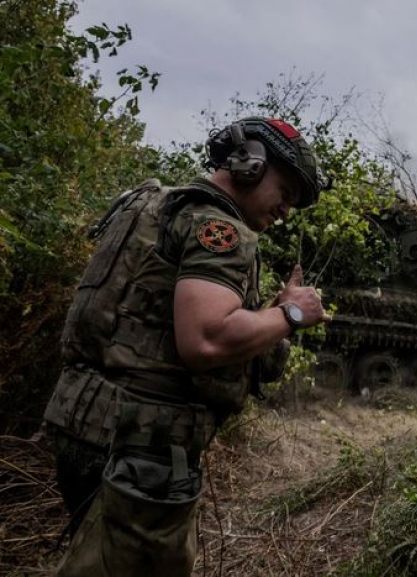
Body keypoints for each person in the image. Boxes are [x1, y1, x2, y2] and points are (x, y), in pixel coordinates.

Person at [41, 117, 331, 576]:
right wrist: (291, 315)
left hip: (89, 428)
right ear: (251, 163)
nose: (285, 211)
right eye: (286, 191)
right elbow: (205, 339)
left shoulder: (154, 204)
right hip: (142, 447)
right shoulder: (217, 227)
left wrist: (265, 318)